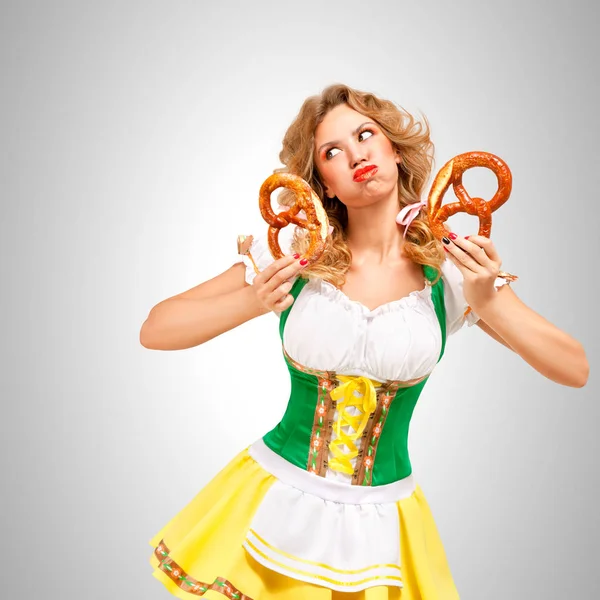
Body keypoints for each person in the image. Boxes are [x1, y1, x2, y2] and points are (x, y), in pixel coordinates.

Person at [140, 84, 589, 600]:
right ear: (324, 184)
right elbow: (156, 329)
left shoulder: (453, 275)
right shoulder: (295, 257)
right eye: (332, 151)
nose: (355, 154)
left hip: (383, 527)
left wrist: (488, 302)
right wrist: (252, 301)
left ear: (393, 149)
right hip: (275, 501)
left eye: (365, 134)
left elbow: (573, 368)